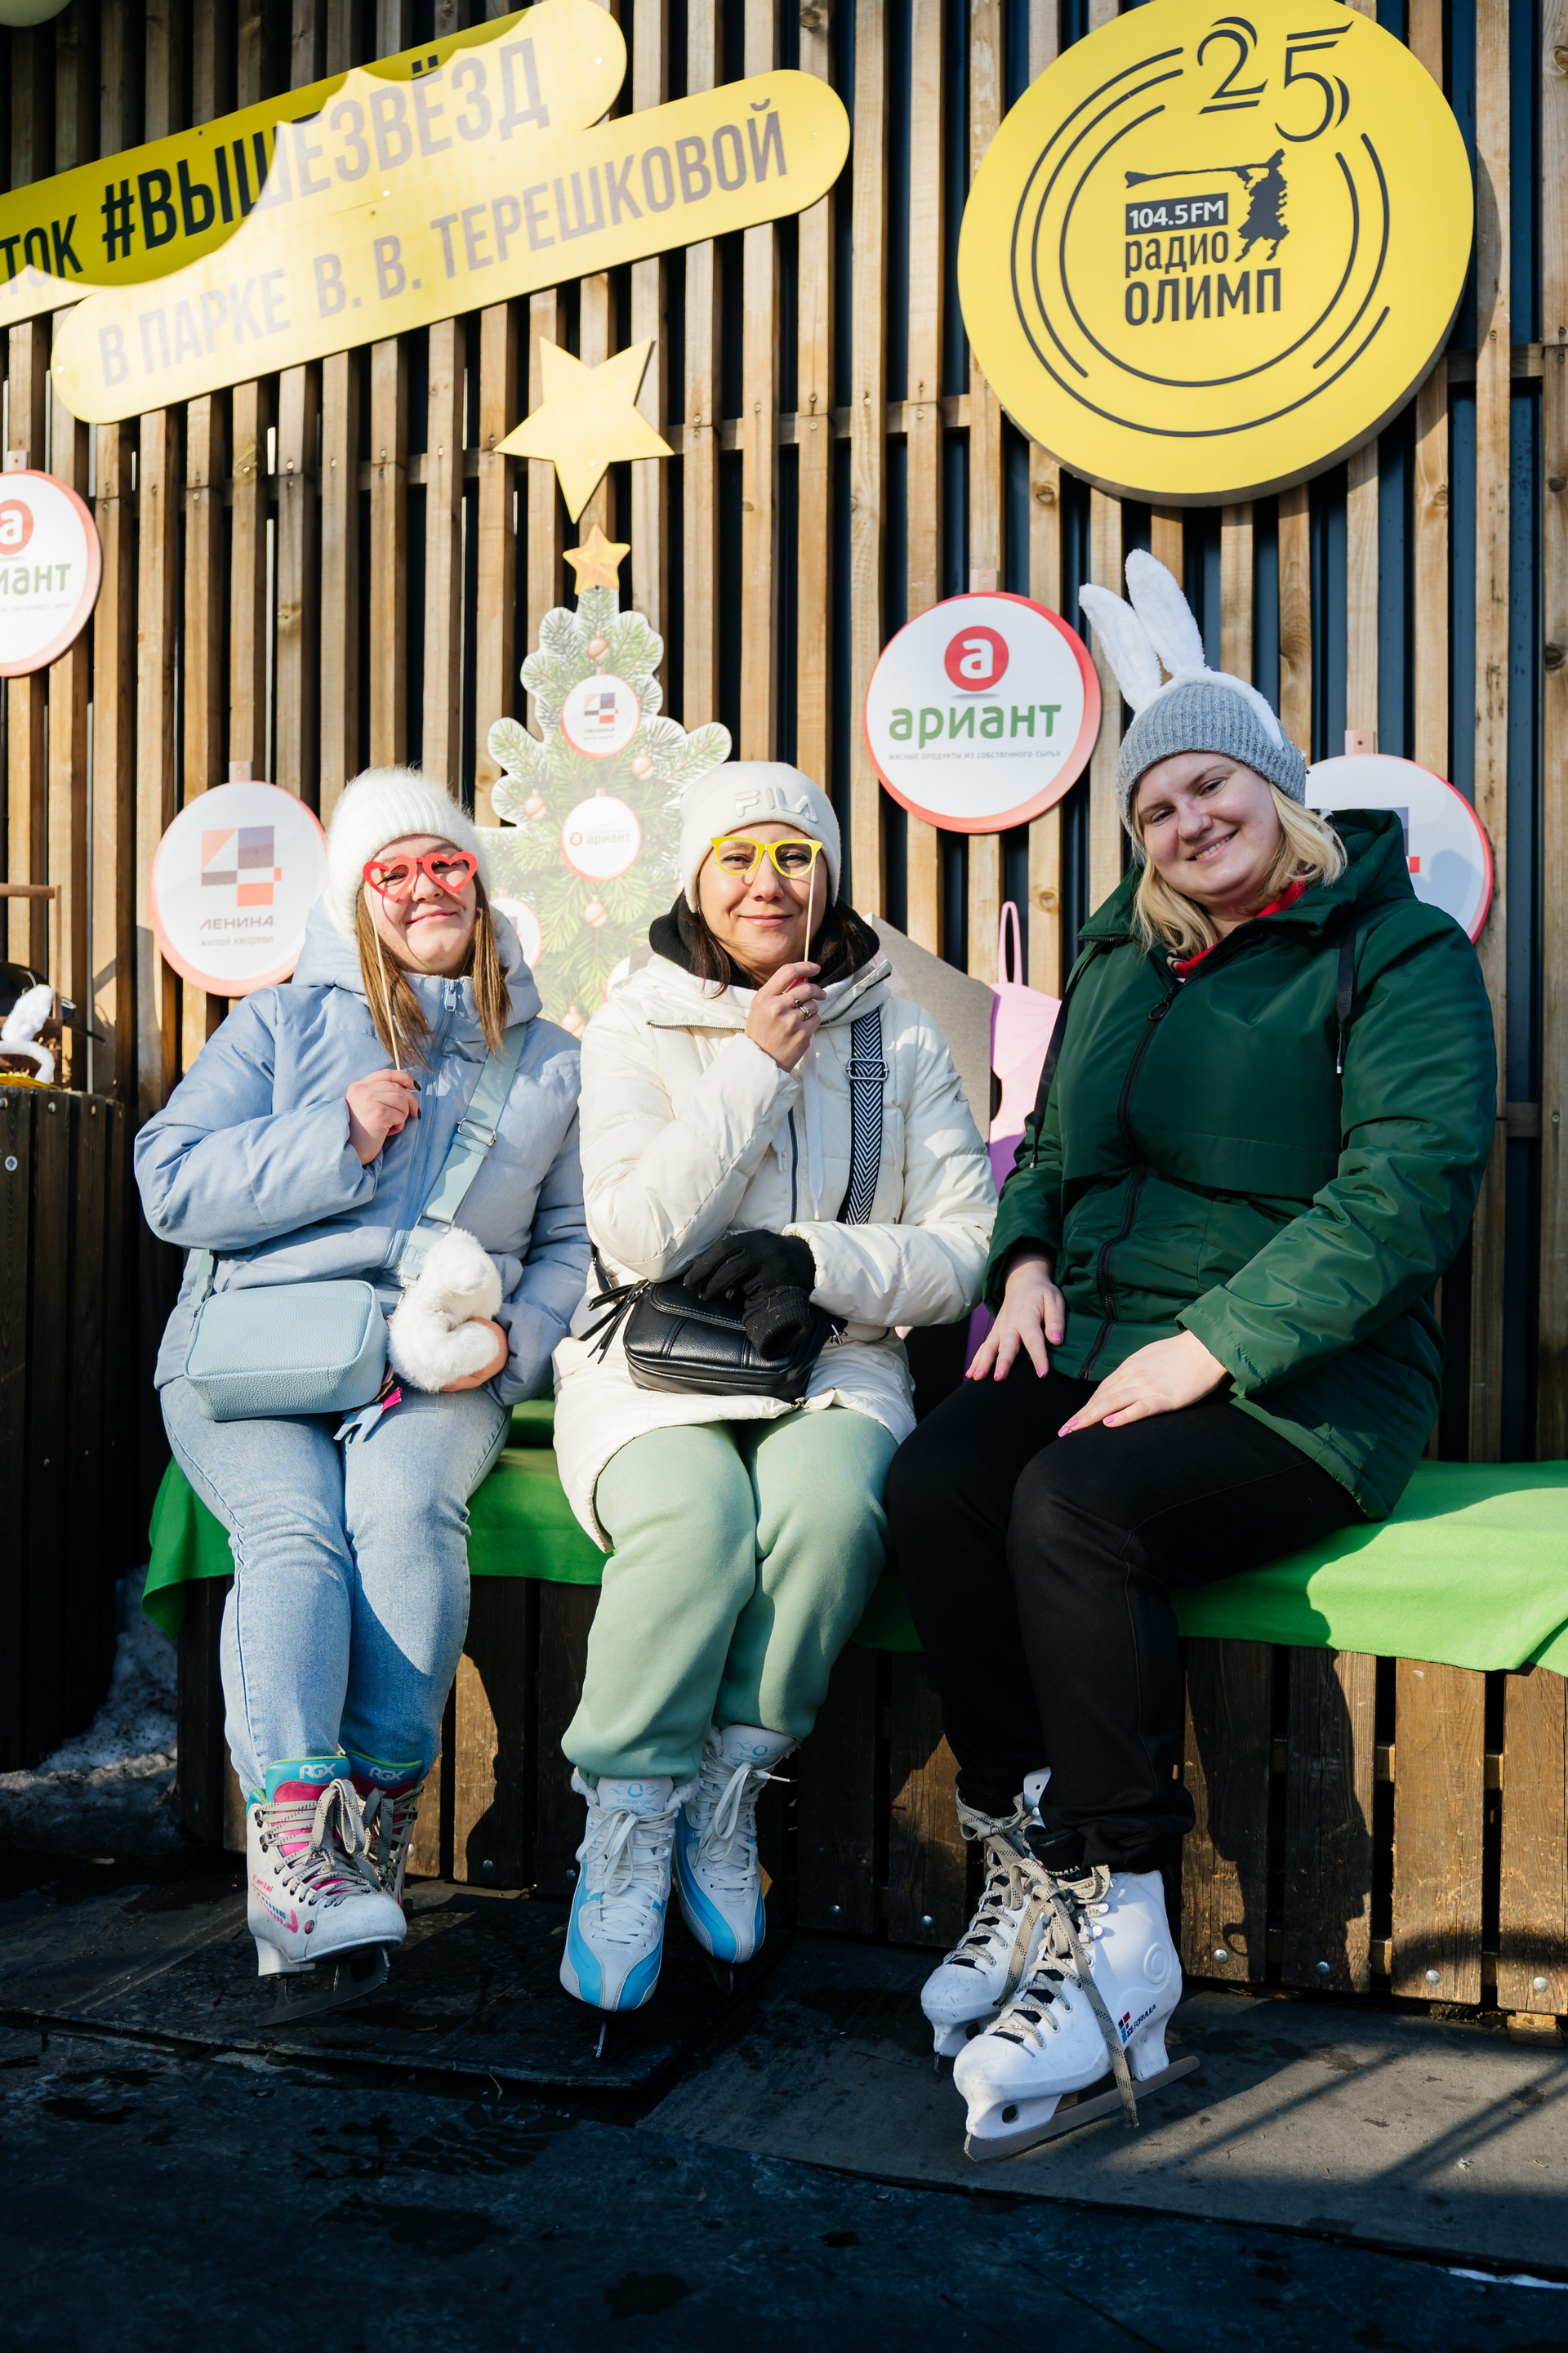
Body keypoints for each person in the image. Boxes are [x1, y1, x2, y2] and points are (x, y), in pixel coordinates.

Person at [884, 553, 1496, 2152]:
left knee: (1074, 1507)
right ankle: (1032, 1856)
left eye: (1210, 784)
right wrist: (1025, 1257)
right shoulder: (1122, 956)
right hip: (1098, 1339)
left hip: (1306, 1383)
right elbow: (1052, 1150)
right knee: (940, 1481)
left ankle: (1125, 1927)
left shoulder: (1395, 953)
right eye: (1153, 806)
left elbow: (1407, 1191)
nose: (1183, 822)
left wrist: (1216, 1343)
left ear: (1277, 789)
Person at [550, 760, 997, 2013]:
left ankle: (725, 1785)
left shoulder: (899, 1029)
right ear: (696, 876)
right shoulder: (636, 1020)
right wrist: (755, 1065)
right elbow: (635, 1232)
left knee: (830, 1512)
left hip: (836, 1352)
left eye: (795, 855)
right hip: (656, 1358)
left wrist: (816, 1259)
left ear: (830, 876)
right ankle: (627, 1815)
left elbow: (966, 1245)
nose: (768, 881)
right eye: (738, 856)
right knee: (692, 1522)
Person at [136, 769, 587, 2006]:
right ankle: (296, 1844)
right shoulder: (279, 1025)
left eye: (445, 862)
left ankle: (372, 1823)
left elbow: (570, 1241)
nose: (423, 887)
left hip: (437, 1362)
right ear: (358, 898)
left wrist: (519, 1341)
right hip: (258, 1350)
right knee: (294, 1534)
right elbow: (168, 1179)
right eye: (393, 871)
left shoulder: (551, 1061)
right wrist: (332, 1132)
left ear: (479, 882)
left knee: (402, 1513)